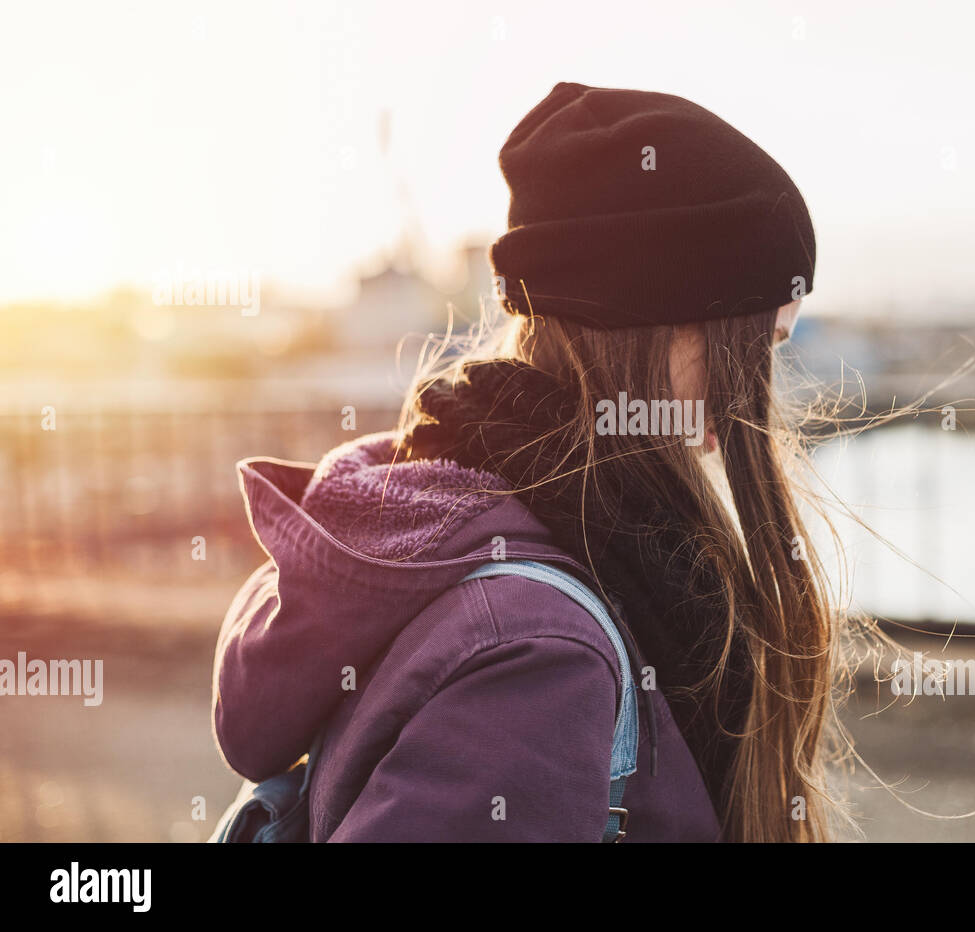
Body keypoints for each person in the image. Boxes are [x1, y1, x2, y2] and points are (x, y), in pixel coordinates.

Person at [212, 82, 848, 842]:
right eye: (752, 351)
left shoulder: (457, 508)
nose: (752, 402)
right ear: (654, 327)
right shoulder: (540, 655)